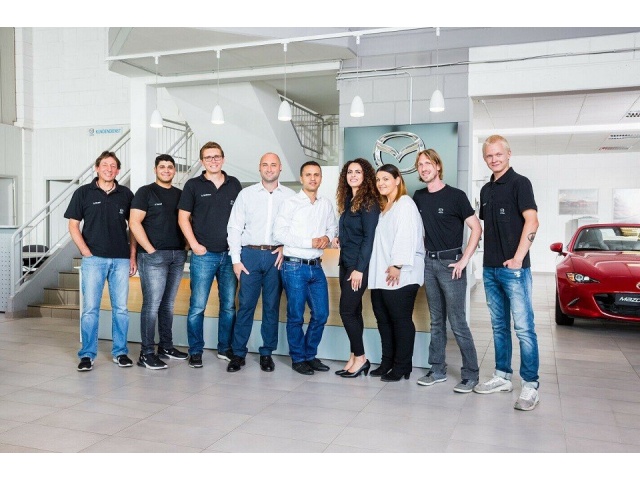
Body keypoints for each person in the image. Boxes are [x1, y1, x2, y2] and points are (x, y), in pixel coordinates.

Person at [474, 134, 541, 411]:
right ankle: (502, 376)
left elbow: (532, 221)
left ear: (509, 154)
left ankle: (530, 384)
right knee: (499, 326)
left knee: (524, 328)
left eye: (498, 154)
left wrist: (518, 259)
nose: (494, 159)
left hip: (514, 270)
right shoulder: (485, 190)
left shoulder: (520, 183)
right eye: (489, 156)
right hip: (490, 269)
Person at [412, 149, 482, 393]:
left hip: (451, 264)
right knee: (436, 321)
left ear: (438, 166)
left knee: (458, 322)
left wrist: (464, 260)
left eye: (428, 163)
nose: (424, 168)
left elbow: (476, 228)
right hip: (429, 264)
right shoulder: (419, 197)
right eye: (420, 165)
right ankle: (437, 370)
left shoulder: (456, 196)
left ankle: (471, 374)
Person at [65, 151, 137, 371]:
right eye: (105, 165)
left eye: (113, 165)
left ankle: (120, 352)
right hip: (94, 259)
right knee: (90, 310)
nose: (109, 169)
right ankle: (87, 354)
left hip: (121, 260)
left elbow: (134, 226)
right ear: (97, 168)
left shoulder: (126, 194)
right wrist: (85, 251)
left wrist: (132, 255)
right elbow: (73, 225)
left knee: (121, 309)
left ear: (118, 170)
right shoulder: (83, 193)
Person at [226, 153, 295, 373]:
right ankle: (238, 353)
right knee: (245, 305)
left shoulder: (291, 196)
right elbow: (234, 228)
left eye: (273, 164)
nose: (269, 168)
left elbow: (297, 228)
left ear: (280, 168)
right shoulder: (246, 194)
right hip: (250, 255)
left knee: (271, 306)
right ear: (259, 168)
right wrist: (236, 260)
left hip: (276, 256)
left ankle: (267, 353)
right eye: (265, 164)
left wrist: (285, 246)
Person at [178, 141, 242, 368]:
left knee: (228, 306)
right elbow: (183, 218)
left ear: (223, 159)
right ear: (202, 161)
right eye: (208, 157)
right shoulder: (193, 185)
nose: (213, 160)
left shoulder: (234, 184)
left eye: (216, 156)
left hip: (229, 255)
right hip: (203, 255)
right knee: (197, 306)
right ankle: (195, 351)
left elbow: (242, 218)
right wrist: (194, 245)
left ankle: (225, 348)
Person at [273, 161, 338, 375]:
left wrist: (327, 237)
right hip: (294, 266)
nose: (312, 178)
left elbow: (332, 227)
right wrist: (310, 242)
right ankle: (298, 358)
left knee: (321, 314)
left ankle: (310, 355)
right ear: (301, 178)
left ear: (321, 178)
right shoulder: (290, 203)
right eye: (308, 175)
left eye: (316, 174)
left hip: (316, 267)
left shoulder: (325, 204)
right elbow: (279, 233)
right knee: (296, 316)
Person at [129, 154, 188, 370]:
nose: (166, 170)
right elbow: (134, 223)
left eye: (170, 167)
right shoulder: (145, 192)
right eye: (162, 167)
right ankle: (146, 353)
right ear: (155, 169)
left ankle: (165, 347)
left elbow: (187, 221)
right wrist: (149, 250)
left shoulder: (180, 195)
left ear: (174, 171)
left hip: (177, 256)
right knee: (152, 305)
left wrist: (186, 247)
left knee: (168, 304)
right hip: (153, 257)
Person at [368, 164, 425, 382]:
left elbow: (406, 235)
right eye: (378, 179)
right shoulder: (386, 207)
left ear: (397, 180)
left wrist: (397, 265)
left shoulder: (405, 203)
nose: (381, 183)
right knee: (383, 320)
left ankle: (402, 366)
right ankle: (387, 362)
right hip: (381, 275)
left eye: (386, 179)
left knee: (400, 320)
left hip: (400, 274)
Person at [332, 159, 381, 378]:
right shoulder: (349, 200)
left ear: (365, 176)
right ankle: (354, 356)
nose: (353, 175)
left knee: (346, 311)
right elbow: (352, 232)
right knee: (354, 311)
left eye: (358, 172)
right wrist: (339, 238)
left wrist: (360, 269)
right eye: (350, 172)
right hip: (345, 263)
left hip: (358, 266)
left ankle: (361, 358)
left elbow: (369, 238)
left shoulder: (369, 202)